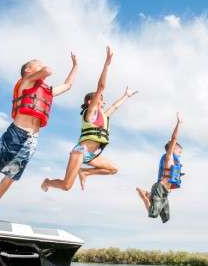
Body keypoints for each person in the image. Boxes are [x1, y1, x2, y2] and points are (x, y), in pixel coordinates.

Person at [0, 53, 78, 223]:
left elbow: (68, 85)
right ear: (28, 70)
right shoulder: (26, 82)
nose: (42, 66)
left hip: (32, 140)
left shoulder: (46, 91)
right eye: (37, 65)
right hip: (16, 134)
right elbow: (47, 71)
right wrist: (43, 69)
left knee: (12, 176)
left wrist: (75, 65)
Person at [41, 46, 137, 192]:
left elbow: (115, 106)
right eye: (100, 99)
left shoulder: (103, 116)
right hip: (80, 151)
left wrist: (126, 96)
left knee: (113, 169)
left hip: (91, 155)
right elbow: (101, 87)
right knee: (66, 186)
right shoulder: (90, 112)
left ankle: (85, 172)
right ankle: (47, 182)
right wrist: (107, 65)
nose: (103, 102)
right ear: (90, 102)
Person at [136, 112, 184, 223]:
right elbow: (174, 139)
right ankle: (145, 196)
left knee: (166, 218)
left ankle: (149, 195)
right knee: (153, 214)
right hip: (159, 188)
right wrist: (178, 124)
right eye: (179, 151)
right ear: (172, 150)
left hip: (165, 192)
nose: (180, 154)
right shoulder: (169, 157)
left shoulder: (174, 162)